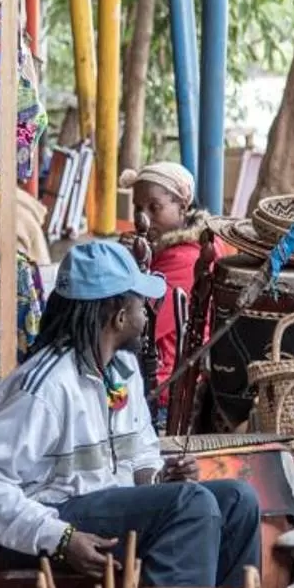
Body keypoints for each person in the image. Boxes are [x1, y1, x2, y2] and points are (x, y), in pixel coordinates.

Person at [0, 241, 262, 588]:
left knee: (238, 500)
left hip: (102, 511)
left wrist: (159, 479)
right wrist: (61, 537)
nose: (147, 315)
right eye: (141, 306)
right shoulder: (45, 387)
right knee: (191, 505)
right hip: (44, 531)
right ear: (118, 316)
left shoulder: (123, 370)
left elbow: (141, 455)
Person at [123, 160, 212, 418]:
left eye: (155, 207)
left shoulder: (185, 259)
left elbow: (135, 324)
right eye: (138, 208)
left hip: (163, 391)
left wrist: (127, 266)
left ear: (182, 207)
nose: (143, 218)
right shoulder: (162, 252)